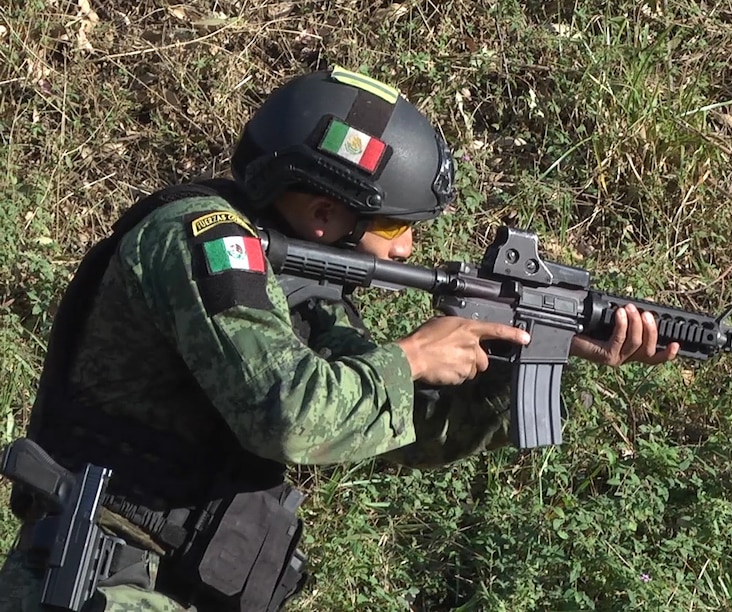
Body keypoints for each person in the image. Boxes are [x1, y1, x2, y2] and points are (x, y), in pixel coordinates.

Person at [0, 67, 679, 611]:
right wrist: (410, 356)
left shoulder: (300, 283)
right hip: (97, 579)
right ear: (324, 213)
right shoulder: (206, 242)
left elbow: (400, 428)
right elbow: (291, 417)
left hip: (165, 583)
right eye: (394, 228)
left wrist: (528, 351)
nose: (408, 249)